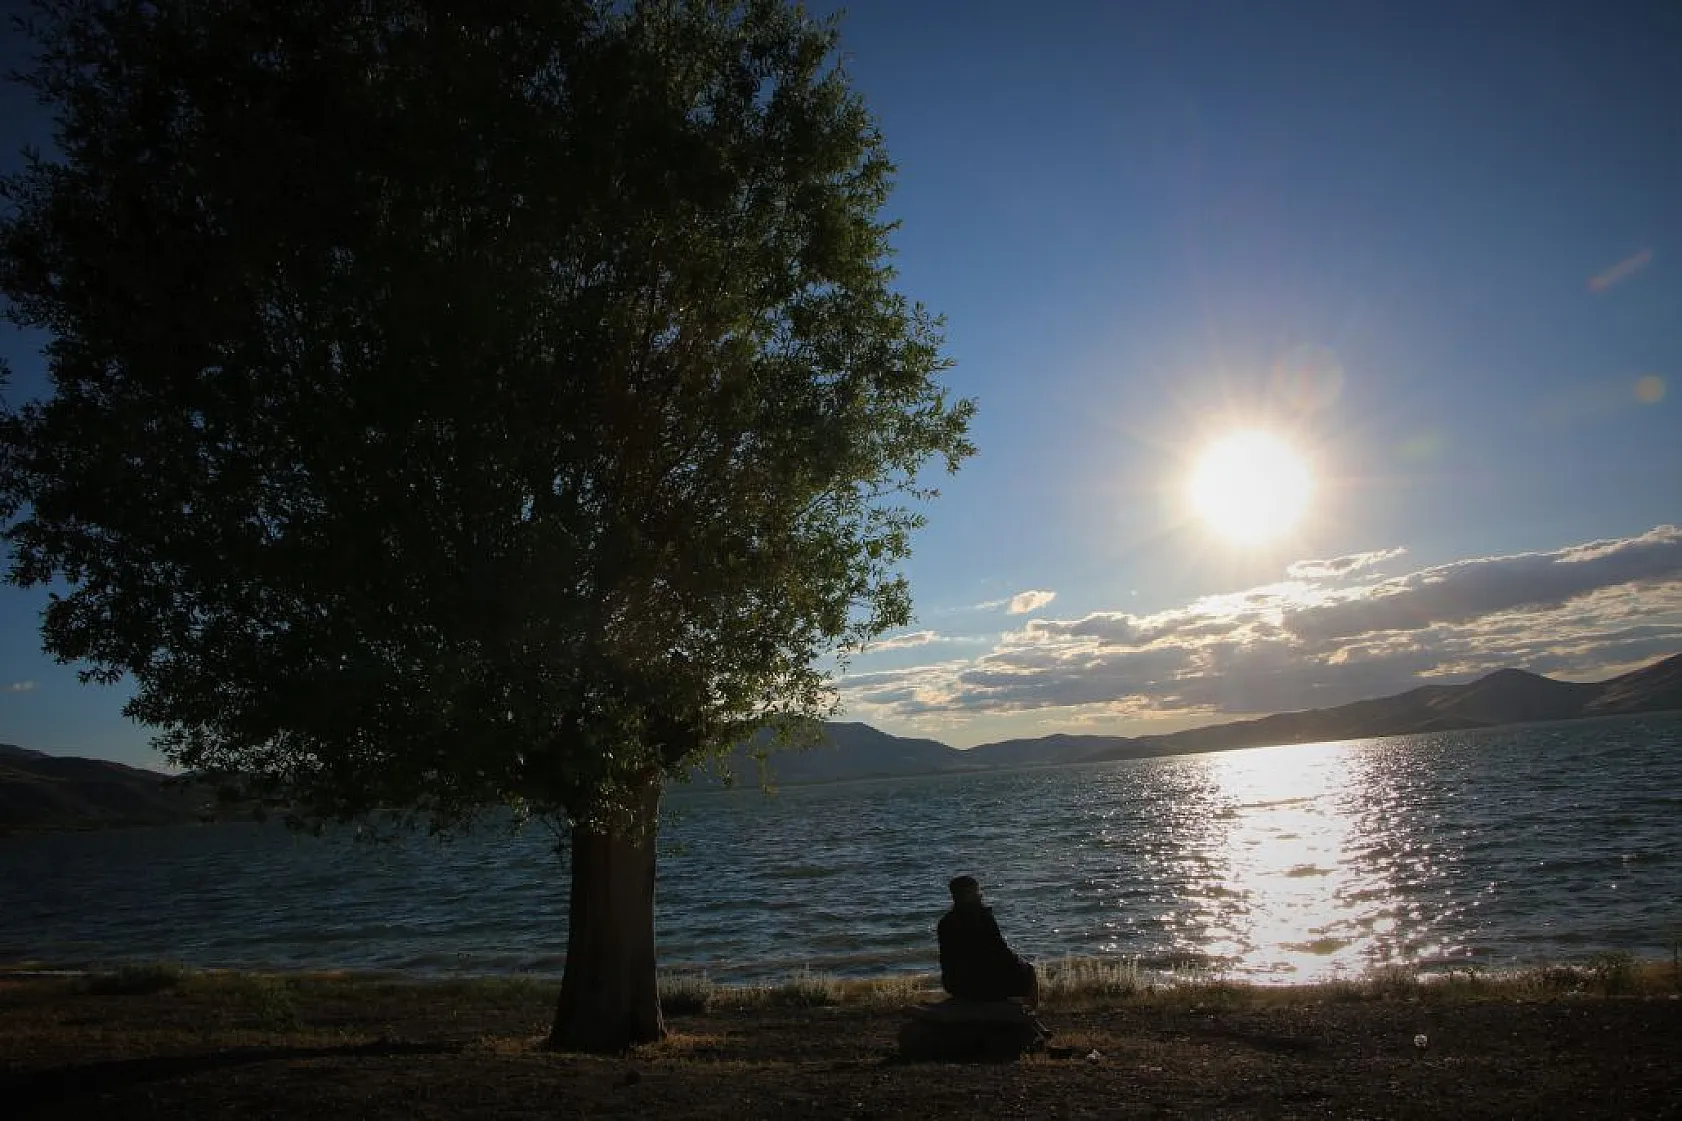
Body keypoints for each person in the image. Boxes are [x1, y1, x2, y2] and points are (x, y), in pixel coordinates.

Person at [937, 875, 1039, 1008]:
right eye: (976, 892)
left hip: (954, 984)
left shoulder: (945, 922)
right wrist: (1020, 963)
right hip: (982, 984)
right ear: (969, 895)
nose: (980, 896)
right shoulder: (983, 918)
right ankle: (1029, 1015)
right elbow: (1001, 952)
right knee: (1029, 971)